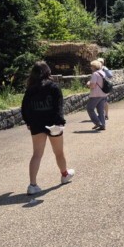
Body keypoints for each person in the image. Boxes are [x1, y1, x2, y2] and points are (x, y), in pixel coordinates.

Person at [20, 61, 75, 195]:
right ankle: (64, 175)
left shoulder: (30, 90)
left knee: (37, 155)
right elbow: (58, 107)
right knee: (59, 152)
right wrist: (60, 123)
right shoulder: (53, 87)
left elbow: (24, 108)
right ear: (47, 72)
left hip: (36, 124)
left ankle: (32, 185)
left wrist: (28, 122)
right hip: (53, 125)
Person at [86, 59, 108, 131]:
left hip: (95, 95)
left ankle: (97, 123)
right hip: (103, 94)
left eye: (91, 66)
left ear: (94, 67)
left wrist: (88, 83)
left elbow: (92, 85)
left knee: (89, 108)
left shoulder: (95, 74)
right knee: (100, 111)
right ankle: (103, 125)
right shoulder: (102, 73)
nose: (90, 68)